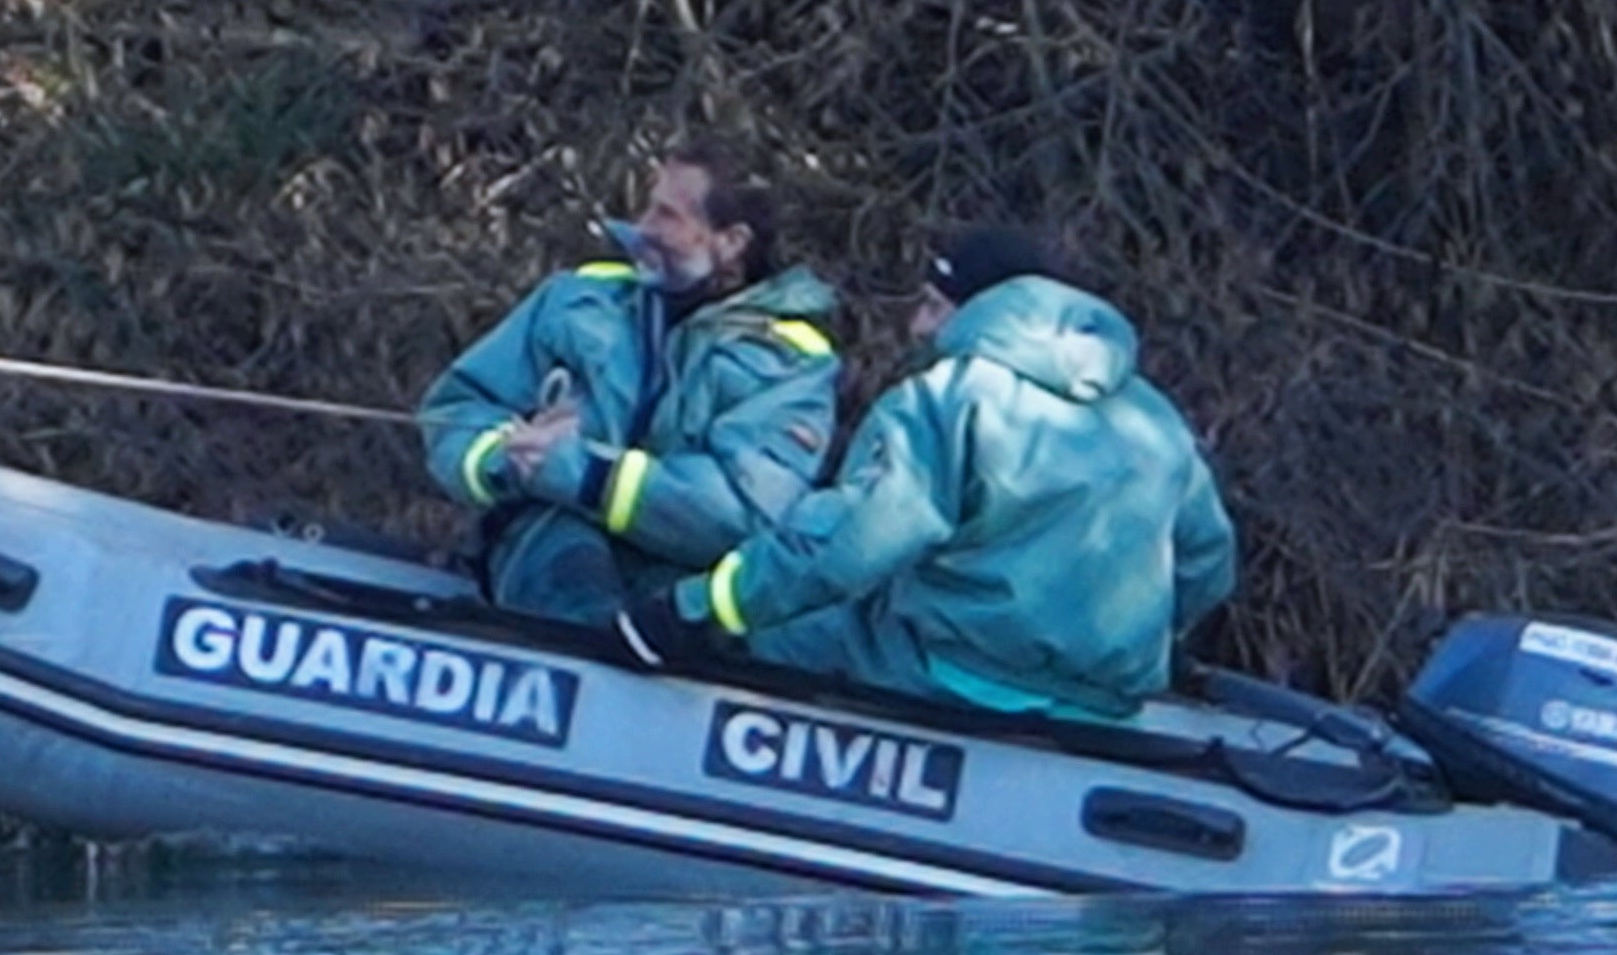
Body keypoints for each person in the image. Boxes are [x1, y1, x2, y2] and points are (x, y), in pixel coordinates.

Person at [635, 224, 1236, 723]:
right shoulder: (1155, 420)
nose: (919, 327)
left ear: (983, 309)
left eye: (932, 305)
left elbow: (848, 544)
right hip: (1100, 707)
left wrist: (702, 605)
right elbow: (1207, 563)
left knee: (783, 635)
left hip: (949, 675)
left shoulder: (952, 399)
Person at [417, 142, 845, 627]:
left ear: (731, 242)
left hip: (678, 593)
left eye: (668, 216)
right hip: (546, 551)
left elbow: (745, 513)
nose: (643, 227)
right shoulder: (578, 299)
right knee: (566, 570)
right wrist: (503, 462)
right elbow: (456, 408)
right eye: (649, 206)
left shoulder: (793, 365)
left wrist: (590, 476)